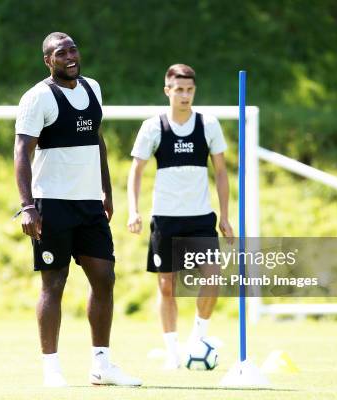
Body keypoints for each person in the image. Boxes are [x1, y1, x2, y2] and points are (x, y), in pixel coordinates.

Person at [14, 32, 142, 387]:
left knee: (105, 278)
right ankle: (51, 367)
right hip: (51, 204)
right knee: (53, 283)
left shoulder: (93, 89)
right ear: (48, 60)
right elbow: (21, 154)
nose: (70, 56)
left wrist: (107, 190)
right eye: (60, 52)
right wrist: (28, 206)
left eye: (72, 49)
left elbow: (97, 140)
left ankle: (102, 365)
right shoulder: (37, 98)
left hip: (89, 204)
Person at [127, 64, 234, 369]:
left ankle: (198, 338)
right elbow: (136, 170)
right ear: (168, 91)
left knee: (213, 278)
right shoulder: (153, 127)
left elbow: (222, 172)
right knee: (166, 286)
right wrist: (134, 210)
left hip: (201, 218)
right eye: (179, 90)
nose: (184, 95)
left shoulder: (208, 125)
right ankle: (172, 352)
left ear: (194, 91)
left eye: (189, 90)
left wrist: (225, 216)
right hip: (166, 219)